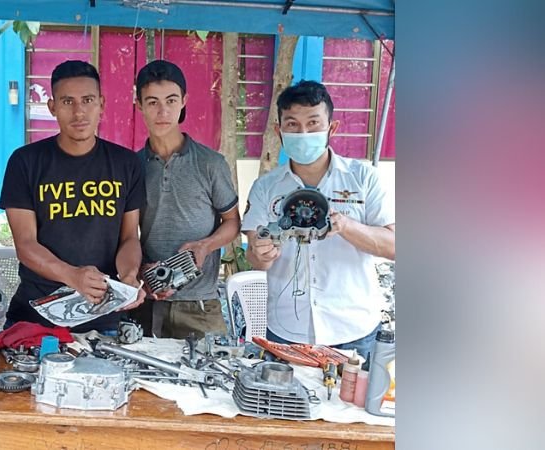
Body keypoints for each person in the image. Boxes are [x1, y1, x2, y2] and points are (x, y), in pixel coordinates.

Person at [241, 80, 395, 360]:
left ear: (331, 128)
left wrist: (347, 226)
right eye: (292, 125)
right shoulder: (266, 187)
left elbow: (395, 246)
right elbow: (255, 255)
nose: (303, 132)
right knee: (283, 404)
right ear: (279, 131)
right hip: (286, 330)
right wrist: (262, 252)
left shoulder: (363, 178)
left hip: (352, 330)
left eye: (313, 123)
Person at [0, 60, 146, 333]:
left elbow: (128, 238)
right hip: (34, 318)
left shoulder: (126, 163)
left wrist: (128, 276)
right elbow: (26, 245)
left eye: (88, 100)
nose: (79, 112)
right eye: (67, 101)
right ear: (52, 107)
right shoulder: (26, 162)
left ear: (101, 104)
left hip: (104, 318)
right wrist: (72, 276)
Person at [132, 60, 241, 339]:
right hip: (146, 299)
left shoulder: (211, 163)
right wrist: (138, 270)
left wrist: (205, 246)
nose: (163, 111)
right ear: (139, 105)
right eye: (152, 102)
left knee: (213, 376)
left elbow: (232, 222)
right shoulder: (132, 166)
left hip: (200, 305)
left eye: (171, 100)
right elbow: (124, 232)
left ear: (184, 101)